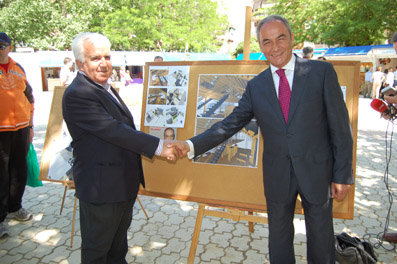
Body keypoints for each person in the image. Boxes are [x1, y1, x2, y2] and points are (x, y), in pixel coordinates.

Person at [172, 15, 353, 263]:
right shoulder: (256, 86)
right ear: (260, 46)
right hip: (278, 174)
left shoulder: (320, 73)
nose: (275, 47)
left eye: (280, 38)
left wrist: (341, 175)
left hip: (317, 171)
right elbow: (230, 124)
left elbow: (341, 128)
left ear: (292, 39)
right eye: (267, 42)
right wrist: (190, 145)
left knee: (321, 238)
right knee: (278, 238)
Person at [62, 32, 176, 263]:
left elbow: (123, 128)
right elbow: (114, 130)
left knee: (117, 249)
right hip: (101, 190)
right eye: (95, 58)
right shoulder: (78, 94)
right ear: (80, 64)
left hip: (121, 185)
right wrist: (158, 146)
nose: (104, 63)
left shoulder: (103, 87)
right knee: (97, 252)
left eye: (107, 56)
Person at [0, 32, 34, 238]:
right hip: (1, 131)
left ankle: (15, 207)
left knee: (18, 171)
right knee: (0, 175)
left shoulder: (18, 69)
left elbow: (29, 97)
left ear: (9, 47)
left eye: (2, 46)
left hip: (21, 128)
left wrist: (30, 127)